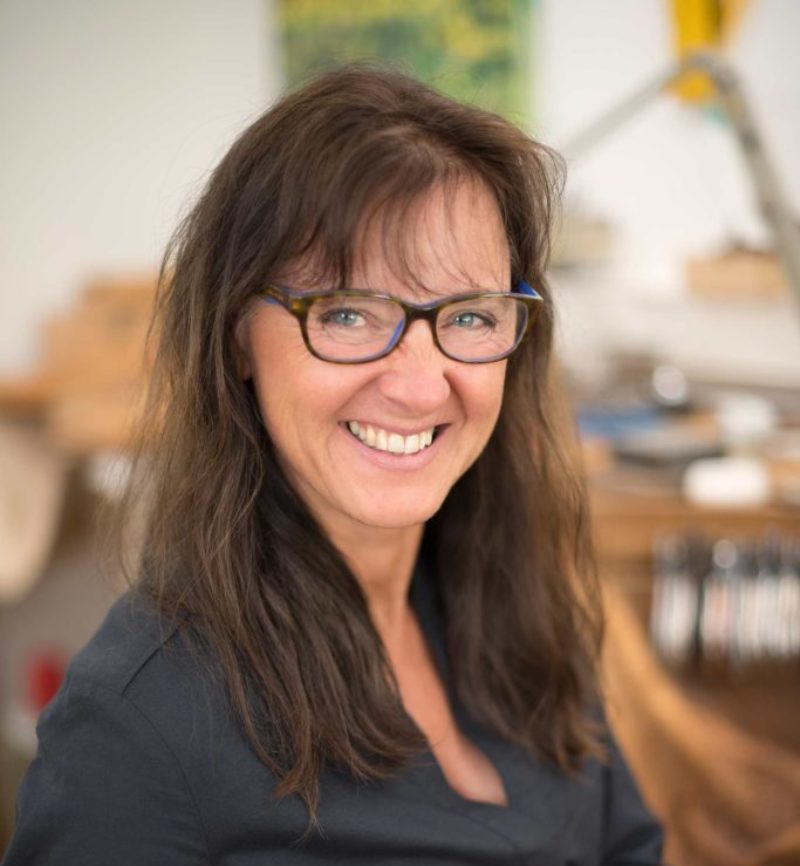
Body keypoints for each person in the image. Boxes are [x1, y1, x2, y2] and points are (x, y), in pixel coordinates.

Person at [2, 64, 663, 865]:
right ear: (236, 337)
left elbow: (627, 843)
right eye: (348, 313)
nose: (422, 386)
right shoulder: (137, 727)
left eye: (469, 316)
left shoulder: (514, 610)